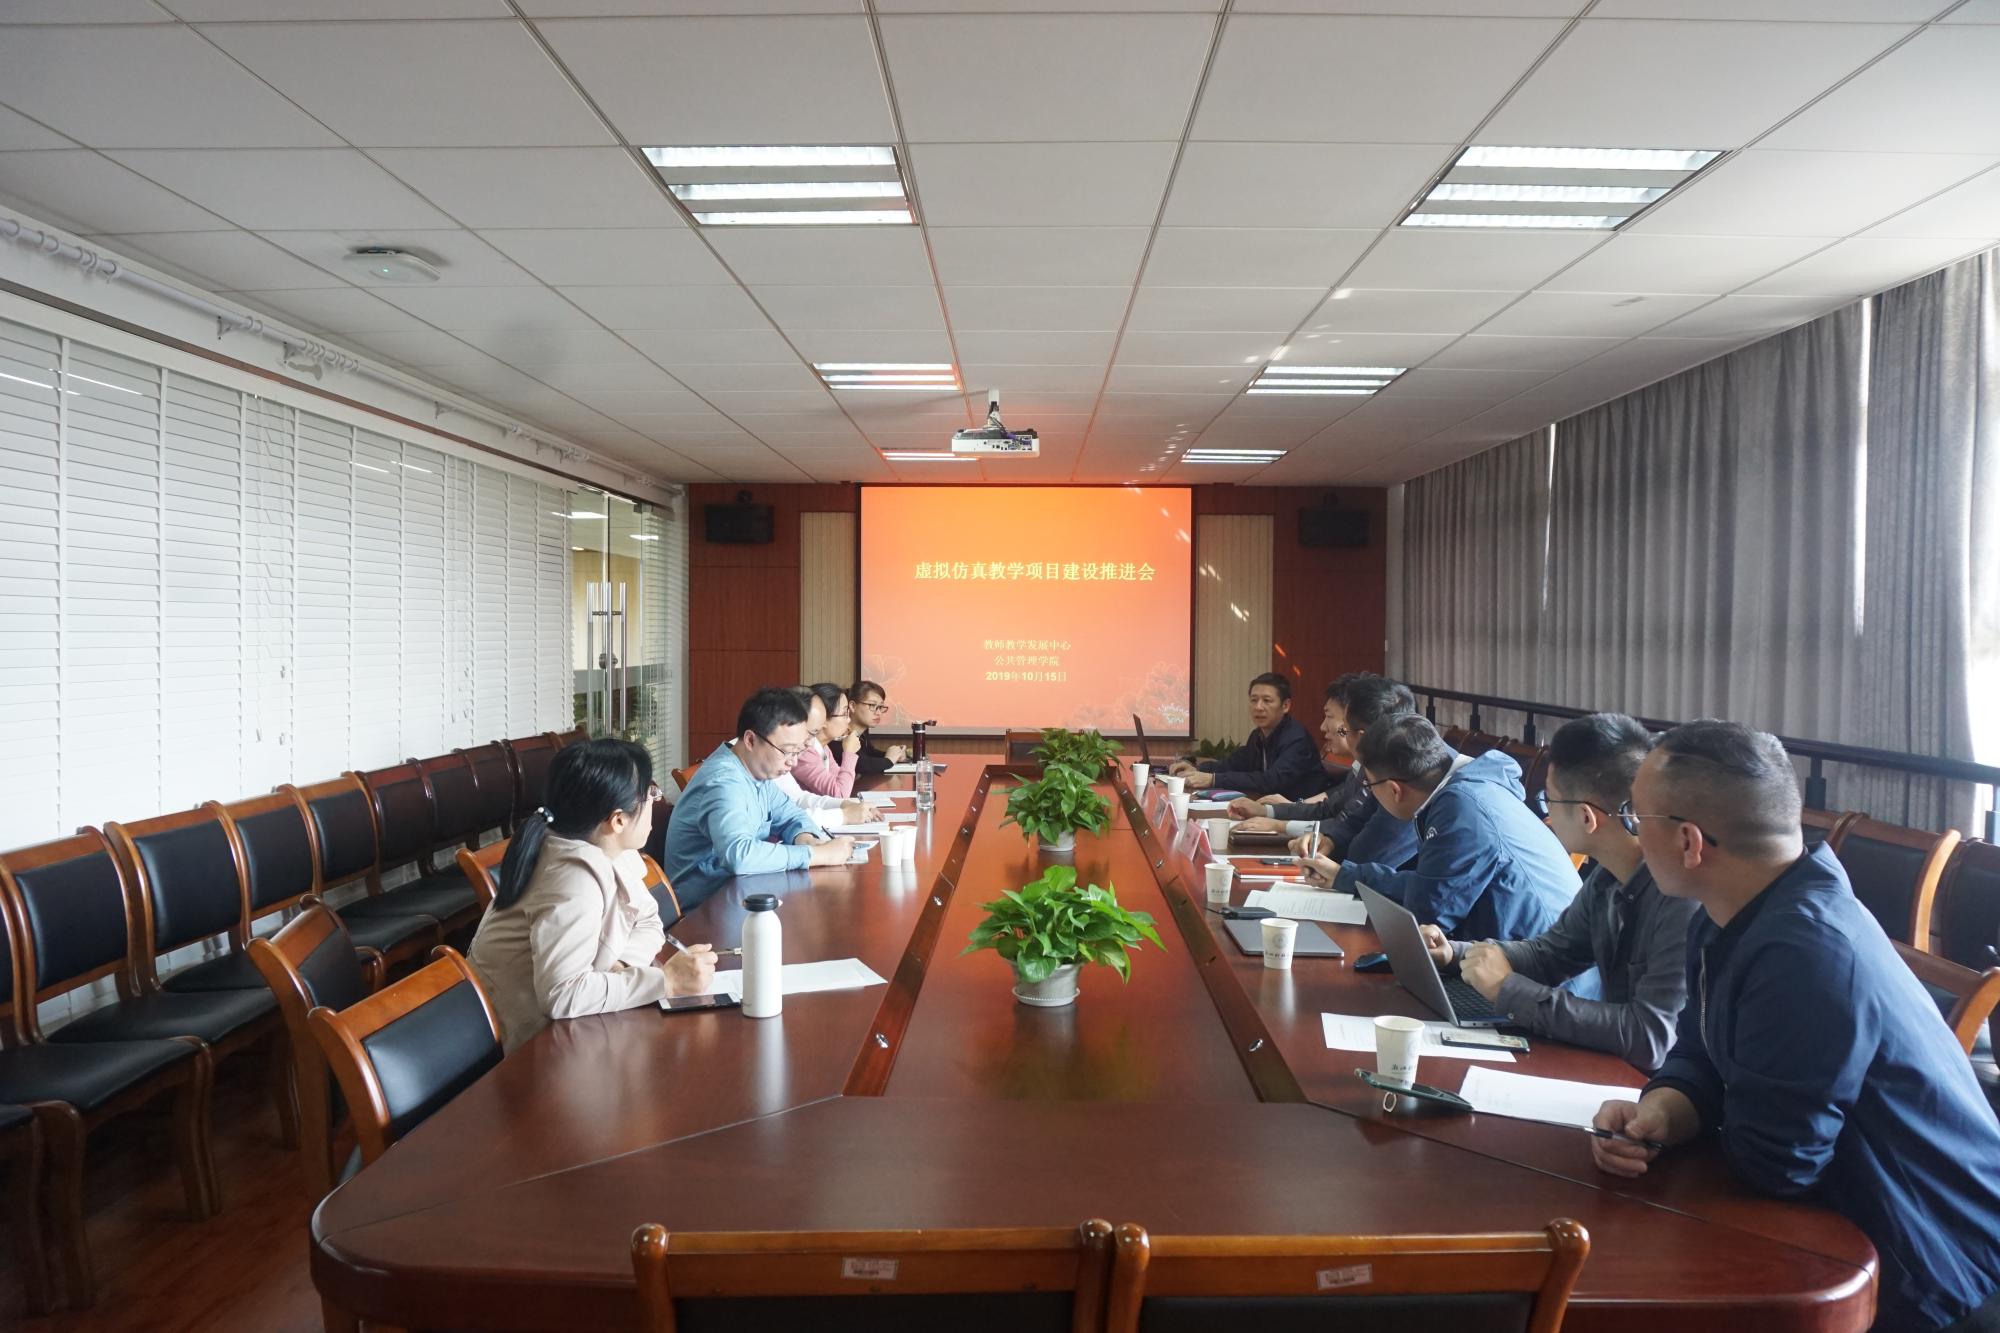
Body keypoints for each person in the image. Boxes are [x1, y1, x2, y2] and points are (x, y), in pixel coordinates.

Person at [1590, 721, 2000, 1332]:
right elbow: (1699, 1048)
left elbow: (1777, 1167)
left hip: (1925, 1266)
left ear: (1689, 842)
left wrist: (1696, 1121)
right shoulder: (1730, 910)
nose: (1631, 830)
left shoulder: (1804, 950)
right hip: (1833, 1214)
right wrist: (1664, 1112)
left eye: (1635, 816)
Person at [1416, 713, 1697, 1071]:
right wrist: (1456, 953)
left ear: (1587, 817)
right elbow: (1550, 955)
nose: (1544, 815)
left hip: (1652, 1086)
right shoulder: (1607, 877)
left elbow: (1650, 1038)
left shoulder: (1681, 899)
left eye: (1549, 801)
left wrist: (1507, 989)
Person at [467, 738, 717, 1052]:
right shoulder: (571, 879)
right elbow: (562, 994)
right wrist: (666, 981)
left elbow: (649, 921)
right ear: (618, 820)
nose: (655, 801)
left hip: (580, 1026)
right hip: (533, 1045)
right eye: (650, 794)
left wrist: (622, 965)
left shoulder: (609, 845)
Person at [1306, 715, 1577, 941]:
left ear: (1394, 790)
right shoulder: (1466, 788)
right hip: (1509, 953)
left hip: (1537, 977)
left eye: (1369, 785)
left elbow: (1431, 913)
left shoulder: (1462, 809)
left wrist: (1351, 877)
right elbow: (1433, 886)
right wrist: (1345, 876)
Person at [664, 687, 857, 911]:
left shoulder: (756, 773)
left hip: (741, 894)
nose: (793, 762)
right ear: (750, 740)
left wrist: (807, 840)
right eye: (787, 751)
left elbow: (791, 815)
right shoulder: (723, 781)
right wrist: (815, 854)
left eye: (798, 751)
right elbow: (739, 855)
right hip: (705, 911)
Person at [1230, 673, 1420, 868]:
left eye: (1330, 717)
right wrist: (1269, 812)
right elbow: (1341, 818)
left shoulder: (1402, 780)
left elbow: (1363, 851)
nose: (1322, 727)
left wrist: (1281, 826)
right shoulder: (1368, 768)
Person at [1170, 671, 1321, 796]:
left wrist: (1213, 780)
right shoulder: (1258, 735)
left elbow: (1272, 780)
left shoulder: (1297, 739)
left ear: (1286, 706)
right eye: (1254, 700)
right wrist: (1197, 769)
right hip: (1269, 808)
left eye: (1267, 701)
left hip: (1299, 814)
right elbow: (1234, 763)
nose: (1258, 707)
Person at [763, 687, 880, 828]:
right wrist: (844, 815)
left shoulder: (819, 748)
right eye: (844, 713)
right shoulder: (802, 752)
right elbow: (786, 819)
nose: (794, 761)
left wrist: (845, 805)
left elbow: (798, 799)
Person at [792, 682, 860, 798]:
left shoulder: (824, 747)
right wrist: (849, 753)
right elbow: (840, 794)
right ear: (822, 718)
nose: (849, 720)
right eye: (844, 713)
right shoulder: (804, 751)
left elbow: (842, 782)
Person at [849, 679, 909, 777]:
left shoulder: (862, 733)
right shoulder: (840, 734)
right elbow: (861, 765)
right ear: (852, 706)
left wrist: (895, 754)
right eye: (872, 705)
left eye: (880, 707)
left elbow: (870, 754)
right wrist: (889, 760)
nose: (878, 713)